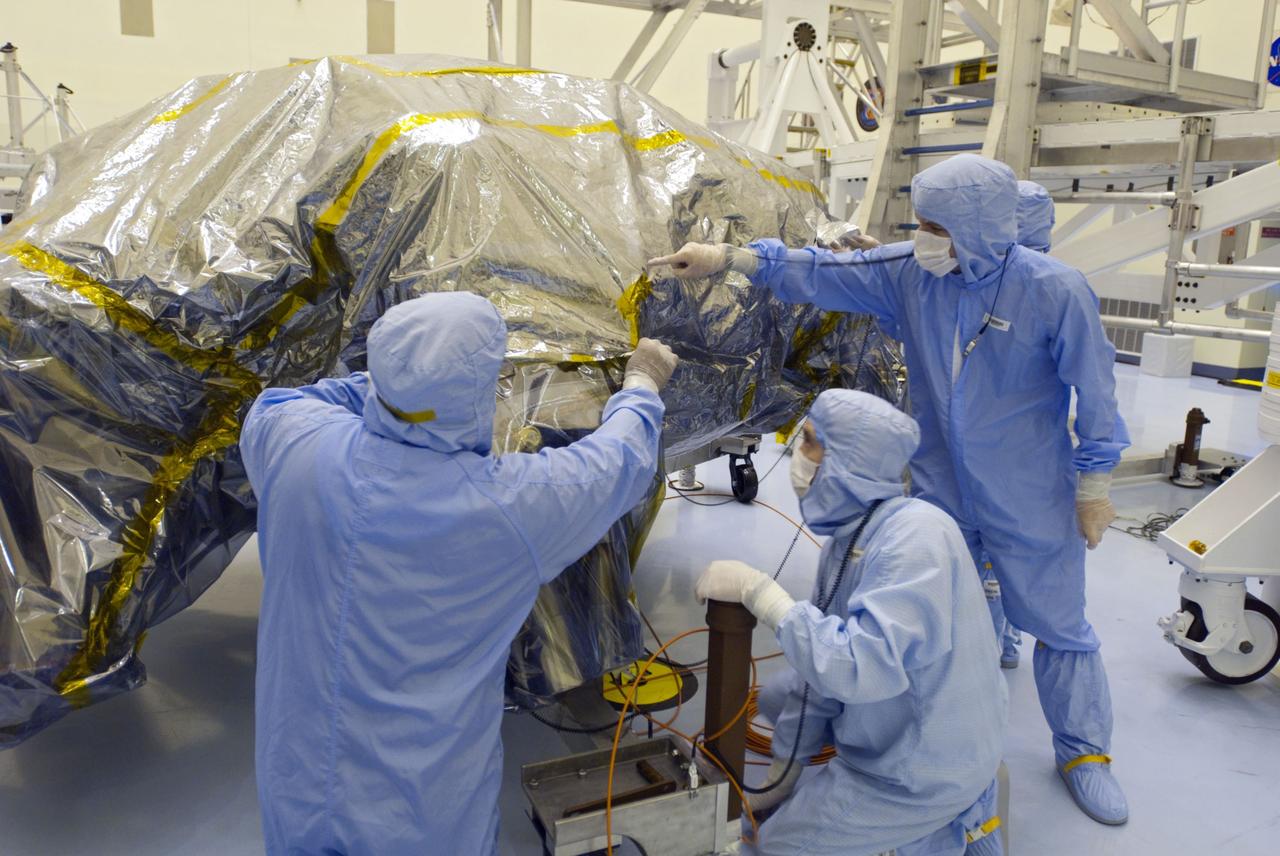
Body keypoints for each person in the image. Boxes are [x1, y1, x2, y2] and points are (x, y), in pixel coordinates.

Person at [652, 154, 1131, 826]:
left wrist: (1095, 482)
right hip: (941, 487)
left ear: (980, 227)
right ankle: (954, 766)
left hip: (1031, 490)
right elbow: (822, 271)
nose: (922, 235)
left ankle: (1085, 752)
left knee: (1059, 624)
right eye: (921, 222)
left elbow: (1096, 386)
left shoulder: (1054, 289)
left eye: (936, 225)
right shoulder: (912, 271)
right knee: (946, 626)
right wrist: (730, 258)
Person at [240, 292, 676, 855]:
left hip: (298, 789)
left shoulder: (296, 445)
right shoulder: (504, 509)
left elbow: (282, 404)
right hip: (417, 814)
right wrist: (641, 383)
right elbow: (618, 464)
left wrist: (393, 387)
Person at [696, 389, 1007, 856]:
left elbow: (859, 668)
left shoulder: (918, 538)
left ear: (849, 460)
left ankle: (947, 822)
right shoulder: (854, 535)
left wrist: (761, 594)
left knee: (772, 848)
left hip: (920, 773)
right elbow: (817, 683)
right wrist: (783, 776)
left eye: (809, 443)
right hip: (898, 724)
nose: (797, 457)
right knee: (782, 694)